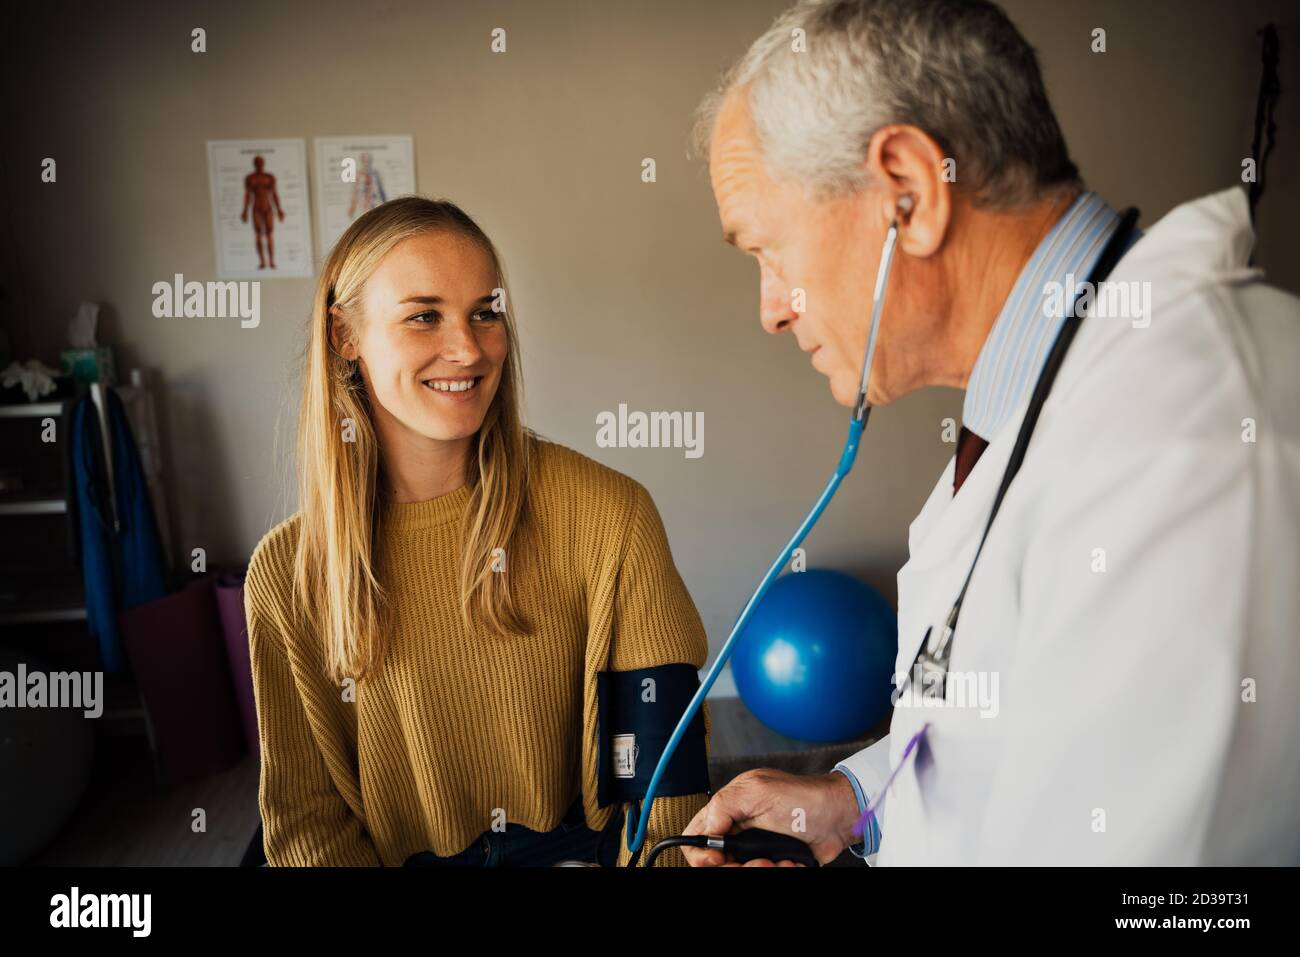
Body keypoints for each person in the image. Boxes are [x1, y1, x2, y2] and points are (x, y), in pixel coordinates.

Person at [682, 0, 1300, 865]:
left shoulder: (1188, 439)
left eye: (767, 251)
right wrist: (853, 800)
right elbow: (1007, 730)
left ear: (908, 192)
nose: (770, 311)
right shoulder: (1028, 407)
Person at [245, 196, 710, 866]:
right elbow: (308, 823)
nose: (468, 348)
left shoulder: (611, 515)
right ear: (345, 335)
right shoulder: (285, 570)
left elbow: (670, 792)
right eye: (424, 316)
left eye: (485, 312)